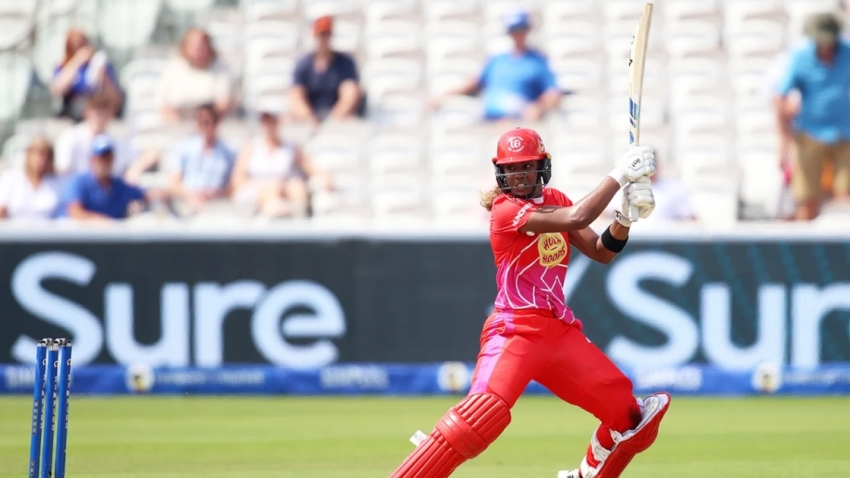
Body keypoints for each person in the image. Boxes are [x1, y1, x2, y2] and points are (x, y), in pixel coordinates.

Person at [389, 128, 670, 478]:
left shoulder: (556, 197)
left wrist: (624, 218)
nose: (518, 176)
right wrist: (619, 175)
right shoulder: (505, 210)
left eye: (526, 167)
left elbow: (601, 252)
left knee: (629, 417)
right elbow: (576, 219)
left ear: (543, 165)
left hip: (560, 332)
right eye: (511, 169)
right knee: (480, 416)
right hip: (514, 330)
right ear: (500, 172)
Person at [775, 13, 850, 221]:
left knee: (845, 194)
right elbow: (780, 97)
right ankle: (807, 249)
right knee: (807, 197)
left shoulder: (847, 54)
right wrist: (784, 141)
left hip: (844, 133)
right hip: (810, 133)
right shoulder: (800, 59)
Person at [429, 9, 562, 123]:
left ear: (527, 30)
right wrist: (445, 94)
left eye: (521, 29)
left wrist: (539, 107)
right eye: (513, 30)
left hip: (518, 116)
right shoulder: (497, 59)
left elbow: (552, 92)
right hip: (490, 113)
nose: (517, 34)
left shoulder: (538, 61)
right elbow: (474, 82)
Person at [231, 106, 332, 218]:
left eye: (272, 120)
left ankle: (296, 218)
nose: (269, 124)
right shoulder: (251, 147)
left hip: (285, 191)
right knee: (272, 190)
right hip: (259, 192)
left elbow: (311, 167)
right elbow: (237, 180)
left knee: (297, 187)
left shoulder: (290, 148)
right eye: (265, 120)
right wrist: (266, 185)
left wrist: (324, 176)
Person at [54, 94, 155, 184]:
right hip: (79, 196)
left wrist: (136, 169)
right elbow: (61, 170)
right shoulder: (71, 137)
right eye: (96, 110)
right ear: (87, 112)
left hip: (110, 196)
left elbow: (150, 153)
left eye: (104, 110)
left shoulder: (118, 139)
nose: (100, 115)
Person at [289, 15, 362, 126]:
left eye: (326, 34)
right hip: (311, 118)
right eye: (320, 34)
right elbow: (296, 95)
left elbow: (350, 93)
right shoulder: (303, 65)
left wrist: (333, 119)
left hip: (338, 119)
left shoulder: (345, 63)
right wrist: (310, 118)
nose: (323, 39)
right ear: (314, 35)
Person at [59, 135, 150, 221]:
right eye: (100, 158)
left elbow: (144, 194)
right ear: (92, 159)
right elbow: (75, 212)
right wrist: (103, 222)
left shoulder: (119, 186)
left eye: (107, 158)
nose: (103, 163)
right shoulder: (79, 182)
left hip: (108, 236)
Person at [168, 104, 236, 214]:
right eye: (203, 122)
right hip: (186, 202)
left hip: (218, 205)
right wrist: (191, 195)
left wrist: (216, 193)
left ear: (217, 123)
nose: (207, 127)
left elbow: (233, 185)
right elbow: (175, 183)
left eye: (211, 122)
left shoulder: (229, 152)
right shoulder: (183, 148)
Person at [157, 27, 235, 122]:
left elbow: (224, 103)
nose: (199, 50)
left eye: (202, 45)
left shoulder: (223, 69)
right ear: (185, 47)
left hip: (212, 127)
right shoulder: (173, 68)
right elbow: (163, 104)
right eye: (195, 46)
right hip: (178, 127)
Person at [50, 28, 123, 122]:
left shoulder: (100, 64)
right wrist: (77, 61)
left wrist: (103, 76)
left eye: (81, 44)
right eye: (74, 46)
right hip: (71, 117)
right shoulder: (64, 66)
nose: (79, 49)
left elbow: (115, 99)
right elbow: (58, 89)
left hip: (97, 117)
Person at [0, 137, 62, 221]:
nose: (43, 160)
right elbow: (2, 210)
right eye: (39, 155)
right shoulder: (11, 178)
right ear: (28, 155)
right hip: (14, 232)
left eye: (47, 156)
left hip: (47, 232)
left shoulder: (58, 182)